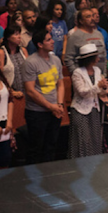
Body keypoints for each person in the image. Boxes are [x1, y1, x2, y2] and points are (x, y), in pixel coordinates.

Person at [22, 28, 65, 163]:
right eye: (48, 40)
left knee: (51, 146)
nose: (53, 41)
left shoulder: (56, 60)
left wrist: (60, 105)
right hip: (37, 113)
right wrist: (51, 107)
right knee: (36, 148)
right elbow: (30, 90)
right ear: (40, 44)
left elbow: (61, 85)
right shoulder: (31, 62)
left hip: (55, 110)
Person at [69, 43, 107, 158]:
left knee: (95, 138)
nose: (98, 58)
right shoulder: (77, 73)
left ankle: (95, 162)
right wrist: (98, 86)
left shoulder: (97, 70)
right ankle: (81, 164)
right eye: (96, 56)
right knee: (83, 139)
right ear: (90, 58)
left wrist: (104, 87)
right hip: (80, 110)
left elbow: (100, 92)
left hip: (94, 108)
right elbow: (82, 92)